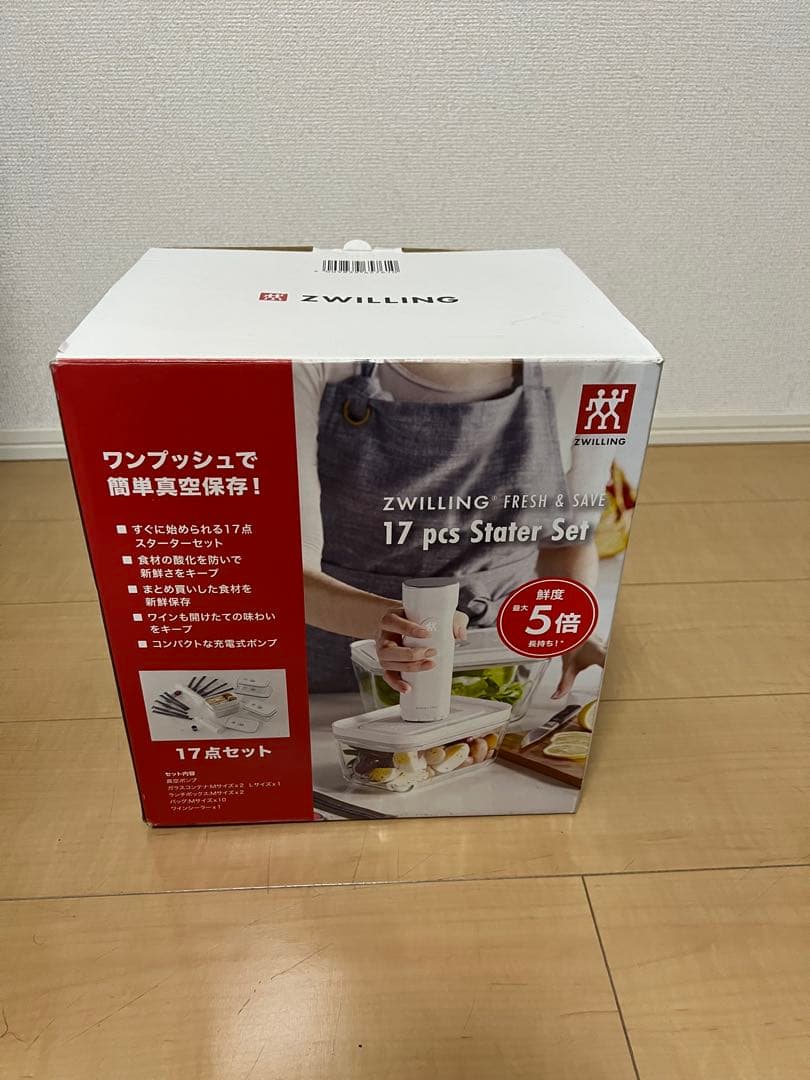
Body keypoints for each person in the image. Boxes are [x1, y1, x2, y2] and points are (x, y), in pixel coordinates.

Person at [294, 359, 615, 699]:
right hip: (338, 673)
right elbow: (287, 571)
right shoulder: (311, 361)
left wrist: (573, 626)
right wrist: (400, 623)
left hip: (498, 669)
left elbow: (566, 540)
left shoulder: (590, 366)